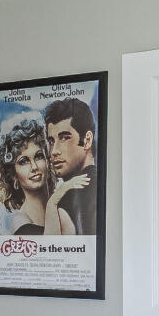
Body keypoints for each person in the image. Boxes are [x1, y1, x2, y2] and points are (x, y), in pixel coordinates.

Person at [0, 111, 74, 237]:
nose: (34, 167)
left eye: (39, 156)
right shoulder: (20, 221)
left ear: (48, 160)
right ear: (13, 175)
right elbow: (50, 247)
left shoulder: (63, 211)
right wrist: (52, 203)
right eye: (23, 162)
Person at [44, 94, 99, 237]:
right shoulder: (101, 184)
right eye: (51, 141)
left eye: (64, 138)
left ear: (87, 140)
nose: (54, 151)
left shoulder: (68, 198)